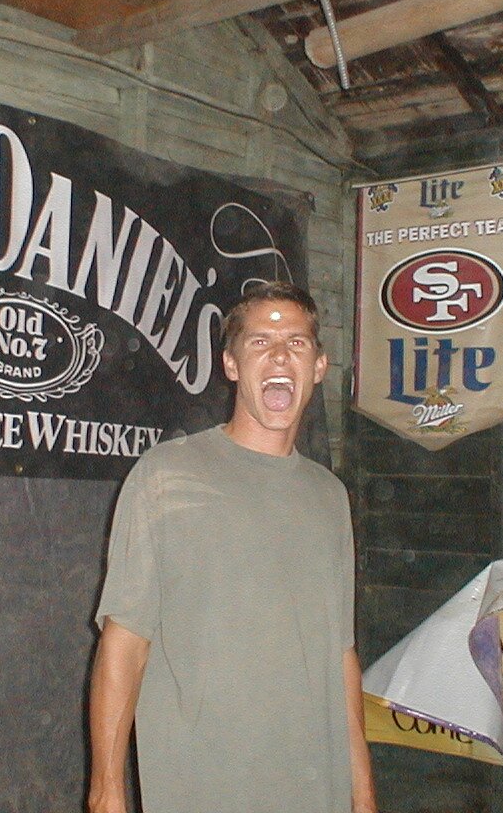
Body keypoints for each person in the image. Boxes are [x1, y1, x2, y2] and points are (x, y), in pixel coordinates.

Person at [88, 281, 376, 813]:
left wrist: (363, 793)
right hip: (203, 788)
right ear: (232, 365)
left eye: (296, 342)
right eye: (259, 342)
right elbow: (124, 642)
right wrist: (107, 791)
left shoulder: (329, 495)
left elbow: (341, 656)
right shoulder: (167, 476)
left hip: (317, 790)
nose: (279, 354)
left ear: (317, 366)